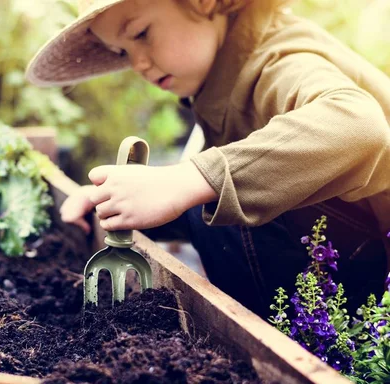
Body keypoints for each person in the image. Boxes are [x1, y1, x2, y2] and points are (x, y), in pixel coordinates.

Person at [24, 0, 390, 319]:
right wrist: (117, 202)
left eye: (140, 33)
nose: (137, 63)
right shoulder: (222, 80)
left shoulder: (281, 60)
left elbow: (359, 125)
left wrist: (189, 180)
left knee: (219, 192)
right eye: (121, 52)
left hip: (372, 288)